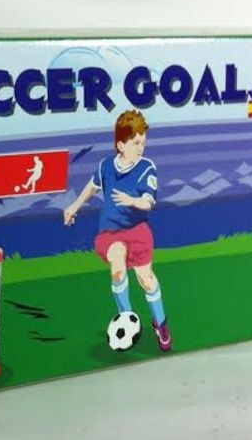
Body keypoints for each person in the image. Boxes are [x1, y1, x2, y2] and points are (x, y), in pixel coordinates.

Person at [63, 110, 171, 351]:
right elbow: (92, 186)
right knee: (117, 265)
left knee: (146, 279)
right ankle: (127, 318)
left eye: (143, 143)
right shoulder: (106, 167)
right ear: (121, 145)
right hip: (110, 233)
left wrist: (132, 201)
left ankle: (160, 323)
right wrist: (74, 206)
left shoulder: (147, 168)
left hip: (138, 232)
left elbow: (148, 202)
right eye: (136, 143)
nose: (141, 148)